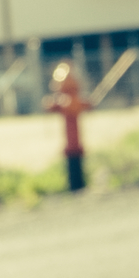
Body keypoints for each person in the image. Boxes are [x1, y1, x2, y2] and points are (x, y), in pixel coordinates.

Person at [46, 58, 93, 192]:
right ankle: (77, 184)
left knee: (74, 152)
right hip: (73, 144)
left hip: (73, 144)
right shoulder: (72, 101)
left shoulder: (68, 101)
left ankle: (76, 184)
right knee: (74, 152)